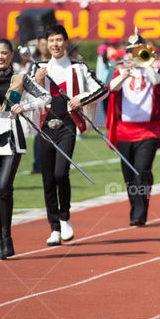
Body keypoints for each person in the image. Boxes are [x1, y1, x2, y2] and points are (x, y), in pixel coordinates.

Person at [33, 24, 107, 246]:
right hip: (44, 128)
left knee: (60, 173)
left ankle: (64, 217)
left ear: (65, 42)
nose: (55, 44)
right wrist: (35, 81)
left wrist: (81, 100)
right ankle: (53, 227)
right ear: (46, 44)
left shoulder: (78, 68)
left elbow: (102, 89)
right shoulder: (38, 68)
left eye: (59, 40)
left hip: (67, 126)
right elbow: (24, 96)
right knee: (47, 179)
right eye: (51, 41)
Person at [0, 39, 49, 259]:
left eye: (4, 53)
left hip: (12, 135)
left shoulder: (21, 77)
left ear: (11, 55)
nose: (0, 57)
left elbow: (47, 97)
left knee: (3, 187)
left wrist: (25, 106)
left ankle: (7, 236)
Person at [106, 32, 160, 226]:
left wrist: (147, 65)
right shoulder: (121, 71)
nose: (134, 55)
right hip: (125, 131)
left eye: (138, 51)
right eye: (131, 52)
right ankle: (135, 206)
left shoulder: (153, 71)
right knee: (129, 175)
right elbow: (111, 88)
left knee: (142, 170)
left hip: (148, 131)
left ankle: (140, 213)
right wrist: (124, 73)